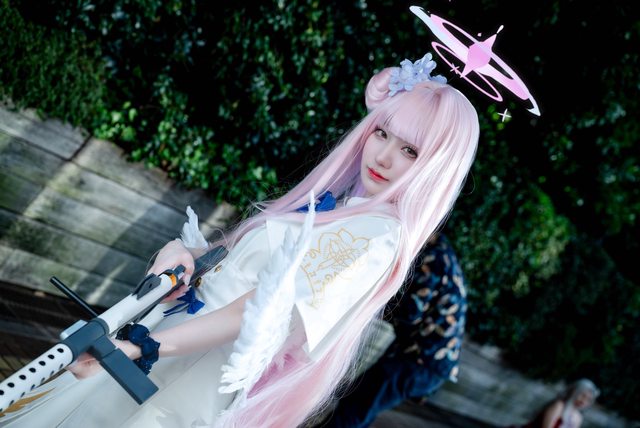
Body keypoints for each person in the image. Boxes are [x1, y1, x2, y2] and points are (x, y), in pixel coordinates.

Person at [0, 53, 479, 428]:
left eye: (410, 149)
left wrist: (138, 348)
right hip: (170, 344)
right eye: (382, 133)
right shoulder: (340, 206)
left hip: (189, 373)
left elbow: (259, 311)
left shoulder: (378, 235)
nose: (385, 156)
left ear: (436, 167)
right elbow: (238, 269)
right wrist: (186, 255)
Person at [322, 232, 467, 427]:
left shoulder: (434, 257)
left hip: (419, 360)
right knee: (358, 407)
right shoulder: (443, 253)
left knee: (354, 410)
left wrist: (367, 304)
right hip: (426, 362)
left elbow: (411, 312)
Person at [518, 379, 600, 428]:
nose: (583, 401)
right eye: (582, 395)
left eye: (588, 399)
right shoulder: (559, 406)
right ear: (574, 392)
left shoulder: (578, 418)